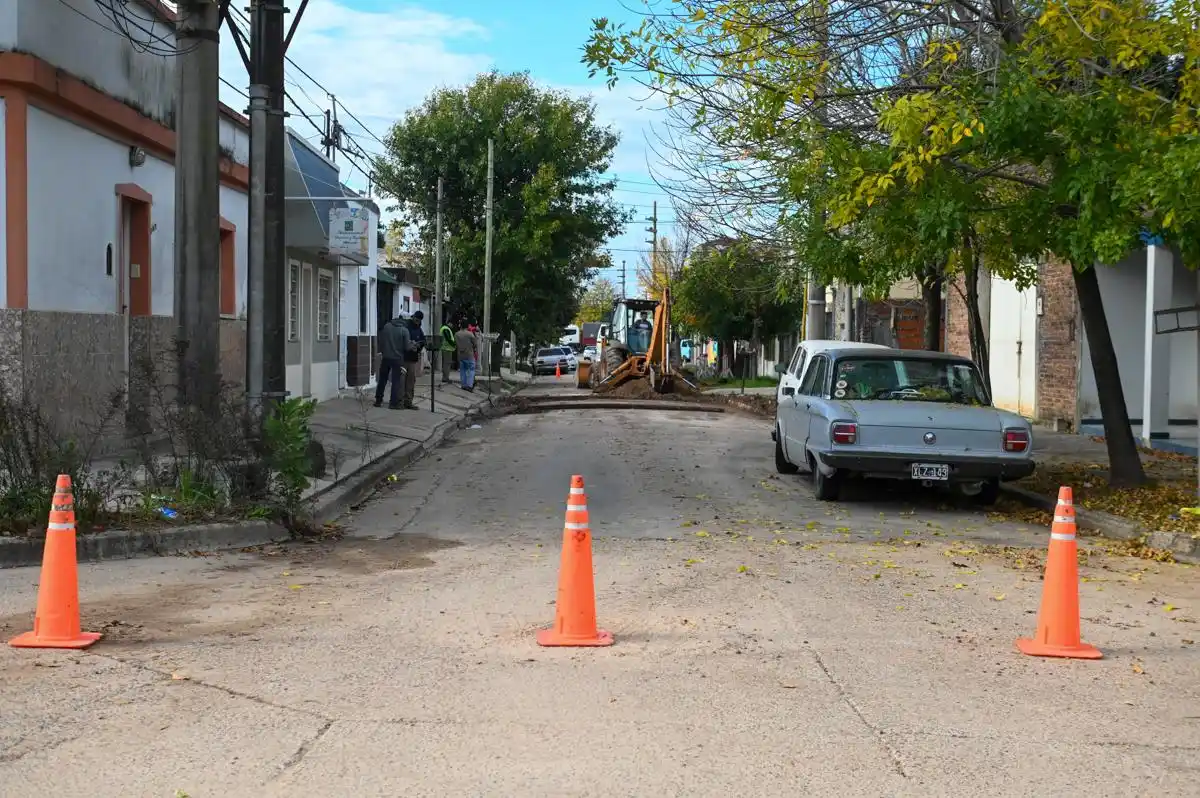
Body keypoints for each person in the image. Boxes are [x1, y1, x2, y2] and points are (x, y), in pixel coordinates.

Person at [375, 314, 411, 409]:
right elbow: (407, 347)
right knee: (396, 381)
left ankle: (378, 400)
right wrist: (413, 345)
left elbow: (381, 340)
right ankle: (393, 403)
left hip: (386, 357)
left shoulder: (387, 326)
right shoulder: (404, 330)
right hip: (398, 359)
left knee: (382, 379)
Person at [402, 310, 427, 408]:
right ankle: (400, 400)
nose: (417, 321)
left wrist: (418, 345)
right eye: (416, 319)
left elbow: (423, 340)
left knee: (411, 381)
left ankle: (408, 401)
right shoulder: (406, 326)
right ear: (413, 317)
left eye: (419, 320)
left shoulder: (418, 329)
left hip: (413, 358)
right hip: (404, 357)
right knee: (402, 380)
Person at [456, 320, 480, 392]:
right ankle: (469, 386)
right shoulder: (470, 334)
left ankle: (463, 385)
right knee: (471, 370)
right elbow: (475, 344)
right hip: (469, 355)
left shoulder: (456, 334)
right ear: (467, 326)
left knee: (462, 370)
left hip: (460, 355)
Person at [439, 318, 456, 383]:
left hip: (446, 348)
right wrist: (454, 345)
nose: (452, 326)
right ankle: (446, 378)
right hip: (447, 349)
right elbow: (448, 339)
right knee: (447, 364)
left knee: (446, 363)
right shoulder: (445, 329)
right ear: (449, 323)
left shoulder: (444, 328)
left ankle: (445, 377)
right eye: (452, 324)